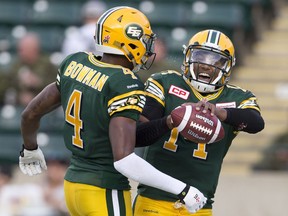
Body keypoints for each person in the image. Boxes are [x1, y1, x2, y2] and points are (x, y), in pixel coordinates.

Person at [18, 6, 207, 216]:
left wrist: (30, 148)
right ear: (129, 41)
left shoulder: (75, 62)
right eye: (144, 41)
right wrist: (182, 190)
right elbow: (125, 160)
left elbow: (30, 113)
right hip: (103, 189)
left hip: (73, 186)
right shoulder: (124, 82)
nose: (148, 48)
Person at [133, 29, 265, 216]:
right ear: (188, 56)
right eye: (201, 56)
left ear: (227, 66)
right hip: (156, 200)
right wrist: (171, 121)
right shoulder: (165, 82)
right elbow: (138, 135)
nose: (205, 65)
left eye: (215, 61)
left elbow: (257, 124)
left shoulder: (238, 97)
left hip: (199, 205)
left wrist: (221, 113)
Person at [4, 33, 57, 107]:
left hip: (42, 105)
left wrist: (37, 82)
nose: (20, 53)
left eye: (23, 49)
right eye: (20, 50)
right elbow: (9, 83)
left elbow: (55, 87)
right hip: (20, 105)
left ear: (34, 50)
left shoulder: (47, 65)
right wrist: (20, 96)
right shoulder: (17, 65)